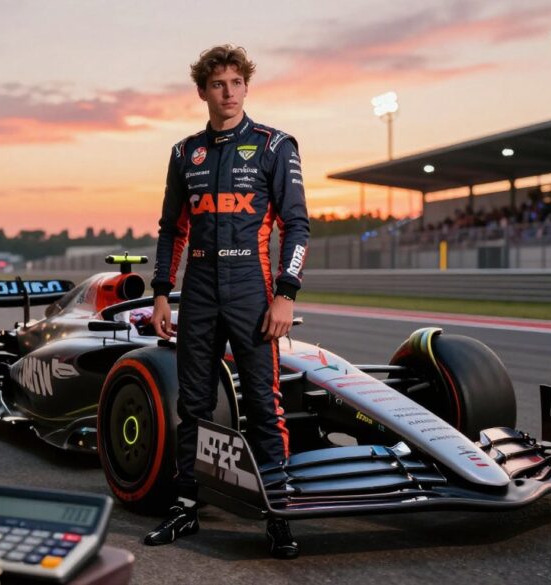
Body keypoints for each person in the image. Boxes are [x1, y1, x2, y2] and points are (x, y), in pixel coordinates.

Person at [146, 45, 309, 559]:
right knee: (192, 404)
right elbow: (171, 230)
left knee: (263, 402)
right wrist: (159, 294)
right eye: (218, 84)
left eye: (237, 83)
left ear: (246, 87)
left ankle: (278, 512)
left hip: (252, 290)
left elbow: (298, 226)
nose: (229, 93)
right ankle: (187, 504)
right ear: (202, 91)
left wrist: (285, 292)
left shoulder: (275, 145)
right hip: (197, 290)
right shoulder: (183, 153)